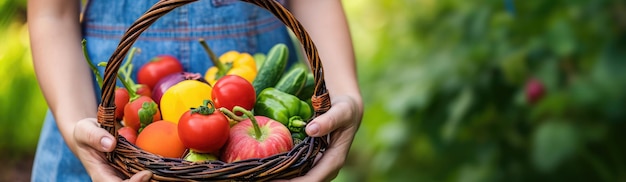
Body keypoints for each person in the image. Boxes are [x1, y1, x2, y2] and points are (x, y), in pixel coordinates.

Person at [28, 0, 363, 181]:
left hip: (265, 159)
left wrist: (344, 94)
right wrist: (76, 121)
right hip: (95, 115)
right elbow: (51, 15)